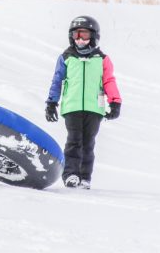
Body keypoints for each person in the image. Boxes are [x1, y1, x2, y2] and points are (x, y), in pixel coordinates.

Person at [45, 15, 122, 189]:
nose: (79, 39)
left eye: (84, 35)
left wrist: (115, 102)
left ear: (94, 36)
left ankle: (85, 177)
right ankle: (71, 175)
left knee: (88, 143)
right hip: (72, 107)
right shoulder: (66, 57)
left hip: (95, 108)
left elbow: (109, 81)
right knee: (74, 141)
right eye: (76, 35)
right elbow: (57, 80)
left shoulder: (102, 59)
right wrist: (51, 102)